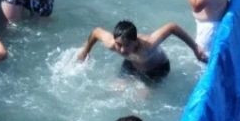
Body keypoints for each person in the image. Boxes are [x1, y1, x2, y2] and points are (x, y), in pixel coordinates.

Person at [77, 20, 208, 80]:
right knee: (116, 89)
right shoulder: (113, 44)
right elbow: (96, 32)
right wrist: (85, 51)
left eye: (127, 45)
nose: (122, 50)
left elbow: (172, 27)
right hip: (132, 64)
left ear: (135, 41)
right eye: (119, 44)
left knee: (141, 99)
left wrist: (195, 48)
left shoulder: (149, 45)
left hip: (157, 68)